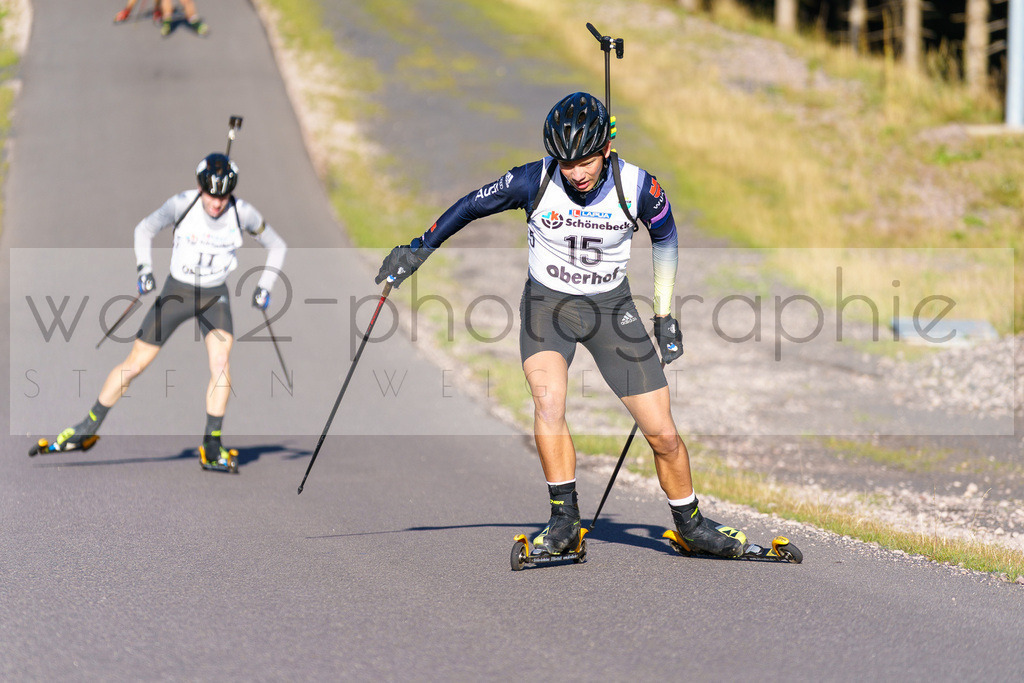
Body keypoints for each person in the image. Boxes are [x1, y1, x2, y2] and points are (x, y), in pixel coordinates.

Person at [375, 91, 747, 558]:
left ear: (606, 149)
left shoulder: (638, 186)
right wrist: (418, 248)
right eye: (566, 163)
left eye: (586, 162)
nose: (577, 173)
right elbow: (470, 205)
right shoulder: (534, 179)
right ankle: (564, 521)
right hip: (547, 307)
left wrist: (664, 316)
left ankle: (691, 525)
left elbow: (666, 240)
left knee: (663, 434)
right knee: (548, 404)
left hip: (611, 309)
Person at [51, 153, 286, 472]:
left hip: (214, 296)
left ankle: (212, 446)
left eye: (222, 198)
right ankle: (86, 429)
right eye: (210, 196)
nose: (216, 204)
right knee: (135, 365)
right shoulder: (181, 204)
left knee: (221, 363)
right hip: (177, 291)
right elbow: (144, 229)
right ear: (200, 189)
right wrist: (144, 268)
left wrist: (265, 285)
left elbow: (277, 245)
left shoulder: (242, 212)